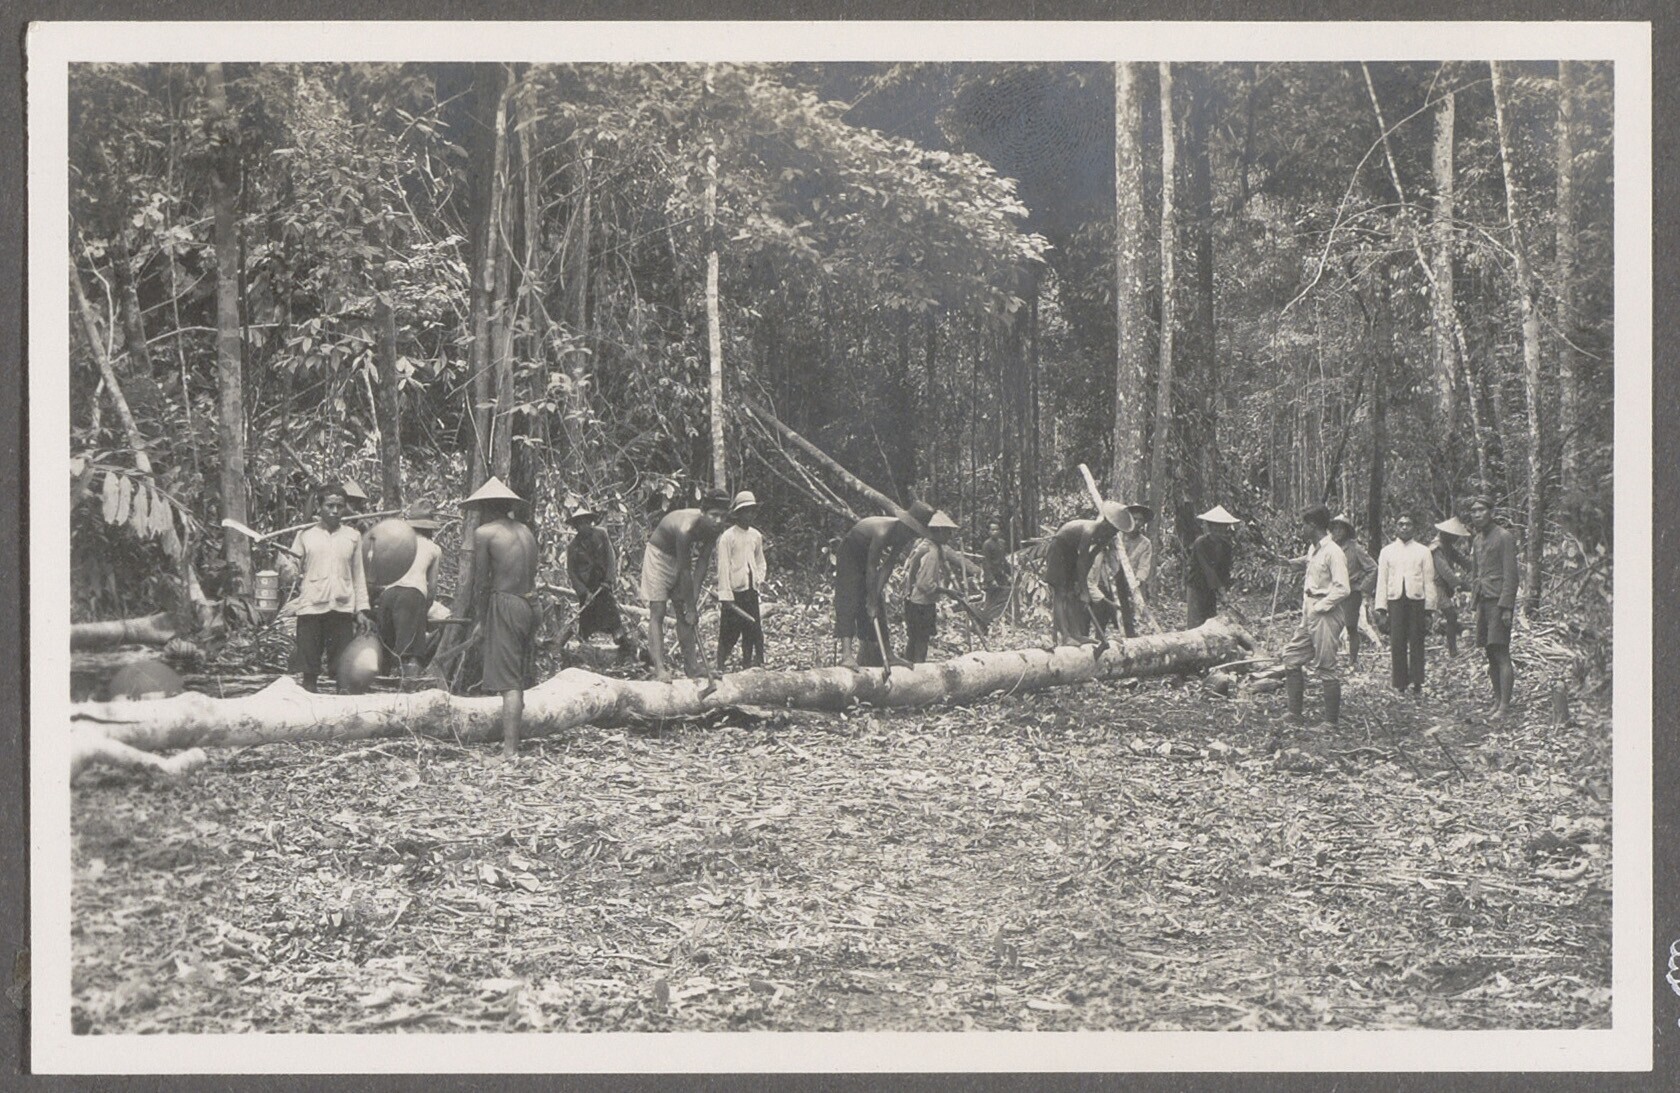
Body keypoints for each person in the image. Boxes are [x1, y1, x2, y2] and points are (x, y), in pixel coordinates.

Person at [464, 476, 539, 759]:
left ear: (487, 507)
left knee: (509, 684)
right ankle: (514, 742)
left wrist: (482, 621)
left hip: (507, 604)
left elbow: (481, 583)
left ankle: (509, 752)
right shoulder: (526, 531)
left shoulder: (485, 533)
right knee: (518, 675)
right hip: (531, 604)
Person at [278, 481, 372, 693]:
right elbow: (292, 573)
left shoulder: (352, 536)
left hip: (341, 608)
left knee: (342, 670)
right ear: (319, 507)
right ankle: (309, 707)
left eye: (339, 506)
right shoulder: (304, 535)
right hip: (311, 607)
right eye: (329, 505)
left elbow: (358, 576)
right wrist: (285, 565)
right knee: (309, 672)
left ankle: (342, 708)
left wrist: (361, 610)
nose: (335, 511)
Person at [641, 490, 731, 682]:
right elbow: (685, 571)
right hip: (658, 557)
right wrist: (690, 606)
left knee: (685, 614)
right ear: (703, 512)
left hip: (680, 561)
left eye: (723, 516)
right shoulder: (686, 528)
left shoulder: (715, 529)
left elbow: (703, 561)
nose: (718, 520)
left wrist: (693, 600)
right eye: (714, 515)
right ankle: (659, 668)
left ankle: (692, 668)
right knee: (658, 610)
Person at [835, 500, 934, 669]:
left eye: (915, 533)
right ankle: (846, 655)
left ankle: (888, 654)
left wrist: (874, 598)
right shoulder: (883, 532)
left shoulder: (904, 535)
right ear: (905, 523)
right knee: (849, 598)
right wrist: (871, 600)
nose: (911, 535)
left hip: (866, 557)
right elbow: (872, 567)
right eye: (911, 530)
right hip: (850, 553)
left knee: (877, 601)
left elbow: (888, 566)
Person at [1280, 504, 1350, 727]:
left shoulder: (1334, 552)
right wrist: (1287, 563)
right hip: (1310, 609)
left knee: (1326, 665)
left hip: (1326, 611)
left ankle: (1330, 722)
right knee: (1291, 657)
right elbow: (1308, 563)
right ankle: (1295, 713)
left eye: (1303, 525)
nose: (1301, 529)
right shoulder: (1314, 549)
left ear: (1313, 525)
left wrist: (1321, 607)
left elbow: (1343, 588)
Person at [1044, 501, 1127, 647]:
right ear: (1105, 524)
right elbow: (1082, 560)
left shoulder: (1107, 536)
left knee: (1072, 594)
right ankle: (1065, 636)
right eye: (1112, 530)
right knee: (1061, 594)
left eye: (1116, 532)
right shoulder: (1090, 530)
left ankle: (1076, 634)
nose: (1113, 534)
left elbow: (1090, 557)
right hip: (1058, 549)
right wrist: (1085, 590)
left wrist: (1079, 584)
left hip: (1071, 552)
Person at [1373, 512, 1438, 698]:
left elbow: (1429, 581)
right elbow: (1382, 580)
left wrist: (1429, 609)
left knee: (1417, 641)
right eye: (1401, 524)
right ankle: (1400, 683)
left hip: (1416, 600)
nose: (1404, 527)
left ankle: (1417, 682)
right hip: (1395, 599)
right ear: (1396, 527)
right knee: (1397, 642)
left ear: (1414, 528)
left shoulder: (1423, 551)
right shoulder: (1387, 551)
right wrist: (1381, 608)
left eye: (1408, 524)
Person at [376, 503, 443, 682]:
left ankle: (380, 684)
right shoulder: (433, 548)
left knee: (384, 646)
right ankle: (409, 687)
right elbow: (432, 587)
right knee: (411, 651)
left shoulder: (395, 543)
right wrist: (424, 610)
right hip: (413, 594)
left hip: (388, 594)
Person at [564, 501, 636, 662]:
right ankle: (584, 648)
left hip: (602, 583)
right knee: (586, 617)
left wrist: (609, 580)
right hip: (586, 586)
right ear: (575, 526)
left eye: (586, 522)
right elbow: (572, 572)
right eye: (579, 524)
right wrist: (584, 592)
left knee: (610, 612)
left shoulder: (601, 534)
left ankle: (622, 643)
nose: (583, 526)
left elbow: (610, 557)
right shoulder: (573, 546)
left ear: (590, 522)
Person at [1468, 494, 1519, 718]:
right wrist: (1474, 603)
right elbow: (1475, 573)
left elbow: (1511, 575)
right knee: (1489, 652)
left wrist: (1507, 607)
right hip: (1484, 601)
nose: (1477, 514)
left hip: (1498, 602)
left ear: (1491, 513)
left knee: (1501, 652)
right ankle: (1497, 700)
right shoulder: (1477, 539)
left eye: (1481, 510)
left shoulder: (1504, 537)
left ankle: (1505, 705)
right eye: (1473, 511)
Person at [715, 491, 768, 672]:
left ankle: (749, 664)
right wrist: (725, 594)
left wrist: (759, 579)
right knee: (728, 632)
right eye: (745, 511)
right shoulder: (728, 537)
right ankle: (719, 666)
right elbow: (723, 567)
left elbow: (760, 561)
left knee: (752, 628)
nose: (749, 515)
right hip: (734, 592)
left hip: (750, 590)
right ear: (738, 513)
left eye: (752, 511)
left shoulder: (756, 536)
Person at [901, 510, 960, 663]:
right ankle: (919, 671)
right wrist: (947, 591)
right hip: (922, 603)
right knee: (921, 641)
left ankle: (909, 669)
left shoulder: (923, 546)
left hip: (912, 600)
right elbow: (924, 584)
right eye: (947, 532)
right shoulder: (931, 552)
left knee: (913, 640)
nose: (950, 536)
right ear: (938, 531)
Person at [1328, 514, 1377, 667]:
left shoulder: (1355, 548)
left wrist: (1363, 588)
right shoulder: (1330, 548)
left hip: (1351, 593)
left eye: (1340, 528)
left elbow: (1373, 568)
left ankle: (1353, 660)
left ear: (1347, 531)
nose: (1337, 532)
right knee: (1331, 626)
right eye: (1334, 528)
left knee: (1350, 626)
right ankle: (1330, 659)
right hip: (1333, 592)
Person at [1186, 505, 1241, 626]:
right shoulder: (1200, 543)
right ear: (1210, 527)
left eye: (1223, 527)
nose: (1219, 530)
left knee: (1210, 621)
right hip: (1197, 586)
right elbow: (1208, 569)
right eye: (1216, 526)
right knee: (1195, 622)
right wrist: (1221, 591)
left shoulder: (1226, 547)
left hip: (1212, 590)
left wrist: (1224, 590)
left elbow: (1224, 571)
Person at [1430, 516, 1472, 656]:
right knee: (1451, 615)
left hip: (1443, 587)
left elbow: (1461, 560)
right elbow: (1445, 572)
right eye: (1454, 536)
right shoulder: (1436, 549)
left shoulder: (1447, 546)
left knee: (1450, 616)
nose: (1456, 539)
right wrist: (1461, 584)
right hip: (1435, 586)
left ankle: (1451, 647)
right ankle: (1452, 650)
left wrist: (1475, 568)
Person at [980, 520, 1013, 624]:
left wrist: (1010, 573)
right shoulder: (987, 544)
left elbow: (1004, 560)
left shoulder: (1002, 543)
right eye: (992, 530)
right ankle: (985, 620)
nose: (995, 532)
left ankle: (1001, 619)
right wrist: (990, 579)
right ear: (989, 531)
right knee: (991, 599)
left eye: (997, 530)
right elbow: (986, 563)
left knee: (1003, 597)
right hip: (992, 575)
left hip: (1001, 575)